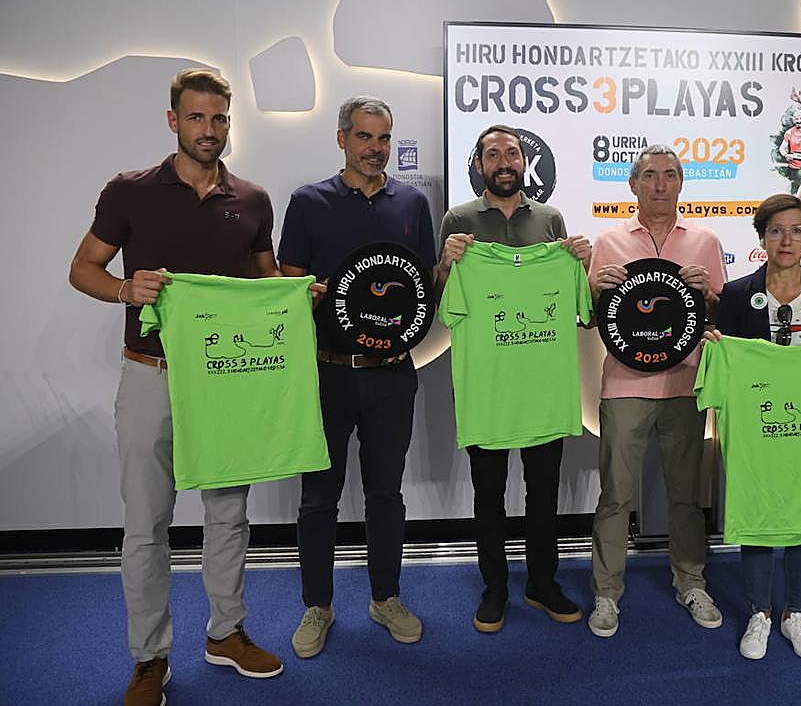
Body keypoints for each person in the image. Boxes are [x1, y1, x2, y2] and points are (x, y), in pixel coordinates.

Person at [68, 69, 284, 706]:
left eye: (219, 119)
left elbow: (265, 281)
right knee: (146, 523)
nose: (208, 130)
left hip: (226, 378)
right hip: (150, 374)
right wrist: (124, 289)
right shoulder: (129, 191)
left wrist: (295, 297)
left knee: (229, 514)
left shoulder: (253, 199)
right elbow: (82, 268)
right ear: (173, 121)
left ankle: (226, 633)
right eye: (196, 118)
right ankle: (149, 658)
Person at [279, 96, 436, 658]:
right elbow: (287, 285)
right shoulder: (308, 202)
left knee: (385, 494)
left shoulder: (413, 203)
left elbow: (424, 288)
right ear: (342, 138)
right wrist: (305, 294)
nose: (375, 148)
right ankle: (317, 606)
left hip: (391, 375)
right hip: (327, 373)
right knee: (318, 498)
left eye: (384, 138)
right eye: (365, 137)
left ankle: (385, 598)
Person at [437, 123, 591, 633]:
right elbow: (444, 303)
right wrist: (447, 264)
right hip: (489, 390)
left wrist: (580, 264)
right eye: (492, 154)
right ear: (479, 164)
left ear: (524, 162)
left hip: (542, 389)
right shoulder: (458, 220)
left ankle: (542, 583)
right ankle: (495, 587)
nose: (504, 162)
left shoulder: (550, 220)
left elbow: (582, 311)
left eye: (512, 153)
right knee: (489, 496)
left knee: (544, 494)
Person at [587, 143, 727, 638]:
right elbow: (590, 317)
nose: (660, 185)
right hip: (625, 384)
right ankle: (606, 592)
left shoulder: (706, 241)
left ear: (681, 183)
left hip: (686, 382)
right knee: (615, 496)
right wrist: (594, 289)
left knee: (686, 495)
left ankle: (691, 582)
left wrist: (708, 294)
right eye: (649, 175)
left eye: (669, 175)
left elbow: (719, 315)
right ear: (633, 184)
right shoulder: (608, 241)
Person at [709, 194, 801, 660]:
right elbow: (727, 360)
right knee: (758, 509)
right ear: (762, 237)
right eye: (776, 231)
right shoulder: (734, 295)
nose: (786, 240)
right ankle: (760, 612)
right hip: (758, 426)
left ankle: (796, 612)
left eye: (796, 231)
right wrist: (716, 348)